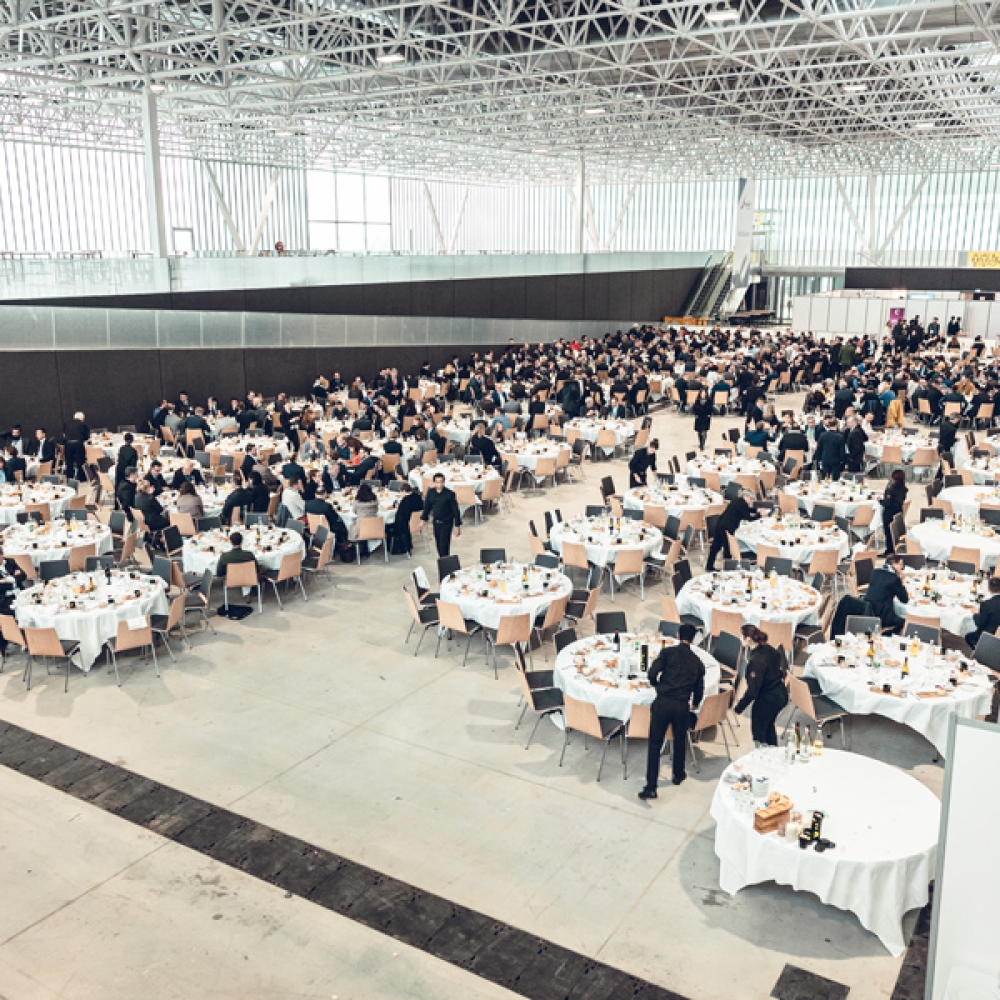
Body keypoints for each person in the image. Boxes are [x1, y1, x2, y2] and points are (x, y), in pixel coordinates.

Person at [638, 622, 705, 799]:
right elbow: (699, 689)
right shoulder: (698, 663)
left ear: (677, 635)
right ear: (693, 639)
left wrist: (657, 685)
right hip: (681, 706)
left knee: (655, 744)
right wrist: (695, 703)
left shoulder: (667, 653)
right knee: (679, 740)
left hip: (663, 703)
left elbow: (652, 673)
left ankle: (651, 786)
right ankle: (678, 774)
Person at [734, 624, 789, 746]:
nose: (739, 638)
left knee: (758, 731)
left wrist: (739, 707)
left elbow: (752, 691)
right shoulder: (769, 649)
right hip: (780, 693)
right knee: (768, 725)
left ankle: (762, 753)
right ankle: (773, 750)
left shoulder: (756, 662)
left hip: (768, 699)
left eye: (741, 636)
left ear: (748, 639)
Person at [706, 490, 760, 572]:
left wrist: (756, 510)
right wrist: (759, 515)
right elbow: (748, 518)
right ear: (746, 497)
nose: (751, 501)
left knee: (716, 546)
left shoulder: (737, 500)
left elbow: (747, 510)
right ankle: (727, 570)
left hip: (720, 523)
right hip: (727, 526)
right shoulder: (742, 504)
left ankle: (709, 565)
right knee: (727, 548)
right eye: (751, 498)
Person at [421, 472, 462, 557]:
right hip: (436, 522)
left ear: (444, 482)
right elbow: (427, 507)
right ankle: (443, 561)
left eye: (441, 482)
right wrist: (422, 521)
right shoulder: (431, 493)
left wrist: (457, 526)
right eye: (437, 482)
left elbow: (456, 511)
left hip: (446, 523)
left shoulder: (449, 494)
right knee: (438, 545)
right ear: (434, 482)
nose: (439, 484)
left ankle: (445, 562)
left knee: (444, 546)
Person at [866, 554, 909, 634]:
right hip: (883, 615)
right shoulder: (894, 579)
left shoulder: (874, 572)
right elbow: (904, 599)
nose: (902, 568)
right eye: (900, 564)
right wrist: (901, 581)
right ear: (894, 564)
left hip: (868, 609)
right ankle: (888, 634)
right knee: (905, 620)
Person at [965, 576, 1000, 650]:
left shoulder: (986, 604)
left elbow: (980, 624)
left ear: (988, 589)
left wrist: (976, 614)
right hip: (997, 634)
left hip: (987, 636)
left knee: (968, 636)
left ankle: (978, 651)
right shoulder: (987, 604)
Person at [391, 483, 424, 555]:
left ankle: (397, 547)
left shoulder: (405, 500)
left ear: (403, 491)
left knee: (390, 526)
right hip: (417, 522)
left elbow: (401, 515)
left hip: (406, 525)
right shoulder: (417, 496)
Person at [881, 468, 908, 555]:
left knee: (888, 532)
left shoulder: (892, 490)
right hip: (898, 512)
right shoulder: (903, 489)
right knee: (894, 532)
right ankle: (892, 549)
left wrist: (880, 500)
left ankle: (889, 550)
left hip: (889, 513)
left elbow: (887, 503)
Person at [63, 411, 89, 481]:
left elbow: (64, 435)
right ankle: (81, 477)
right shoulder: (83, 424)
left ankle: (69, 477)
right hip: (78, 444)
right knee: (80, 460)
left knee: (69, 461)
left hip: (68, 444)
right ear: (82, 419)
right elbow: (86, 436)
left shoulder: (67, 423)